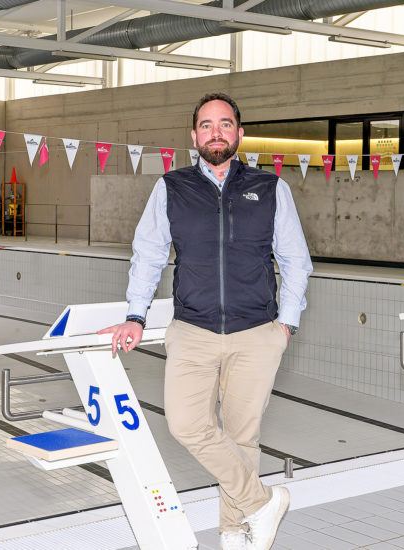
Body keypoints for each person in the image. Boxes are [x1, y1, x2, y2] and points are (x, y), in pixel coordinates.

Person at [99, 93, 312, 550]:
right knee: (185, 423)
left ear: (239, 132)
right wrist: (135, 315)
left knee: (242, 437)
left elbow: (296, 259)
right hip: (192, 330)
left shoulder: (271, 187)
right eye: (207, 125)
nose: (216, 132)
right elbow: (149, 255)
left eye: (225, 124)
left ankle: (235, 533)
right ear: (193, 135)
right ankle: (262, 502)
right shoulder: (171, 187)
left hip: (257, 331)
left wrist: (286, 324)